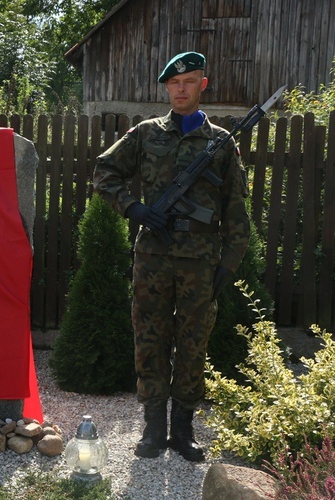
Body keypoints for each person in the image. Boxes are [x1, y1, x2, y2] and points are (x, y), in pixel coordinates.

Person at [93, 52, 250, 462]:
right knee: (149, 339)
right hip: (153, 256)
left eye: (190, 81)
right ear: (167, 87)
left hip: (201, 261)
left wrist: (229, 264)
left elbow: (236, 208)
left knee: (193, 342)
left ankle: (183, 430)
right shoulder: (145, 133)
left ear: (204, 84)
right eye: (174, 83)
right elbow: (104, 173)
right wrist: (134, 208)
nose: (181, 89)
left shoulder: (221, 144)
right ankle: (153, 428)